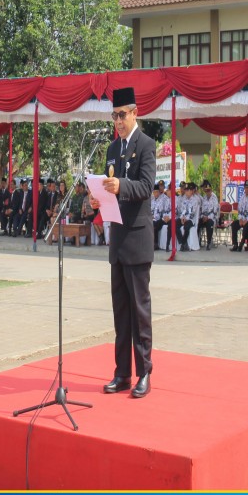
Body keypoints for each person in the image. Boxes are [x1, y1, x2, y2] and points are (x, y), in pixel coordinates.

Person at [89, 87, 155, 399]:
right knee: (120, 313)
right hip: (117, 240)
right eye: (114, 115)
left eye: (122, 115)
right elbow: (106, 188)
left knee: (140, 311)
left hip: (138, 239)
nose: (117, 120)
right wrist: (96, 199)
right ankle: (122, 373)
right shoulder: (112, 149)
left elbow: (145, 186)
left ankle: (144, 373)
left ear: (135, 113)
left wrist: (121, 186)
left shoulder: (146, 145)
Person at [231, 180, 248, 252]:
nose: (246, 189)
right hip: (242, 219)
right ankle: (235, 244)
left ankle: (246, 245)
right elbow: (240, 210)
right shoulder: (242, 198)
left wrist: (246, 220)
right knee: (234, 224)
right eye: (245, 187)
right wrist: (240, 219)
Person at [198, 180, 219, 250]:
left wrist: (208, 217)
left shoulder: (214, 198)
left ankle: (209, 242)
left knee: (209, 224)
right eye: (206, 190)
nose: (207, 192)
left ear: (211, 190)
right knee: (197, 222)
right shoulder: (204, 198)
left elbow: (215, 211)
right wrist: (203, 217)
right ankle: (198, 241)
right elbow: (202, 210)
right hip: (204, 217)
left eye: (209, 190)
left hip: (212, 218)